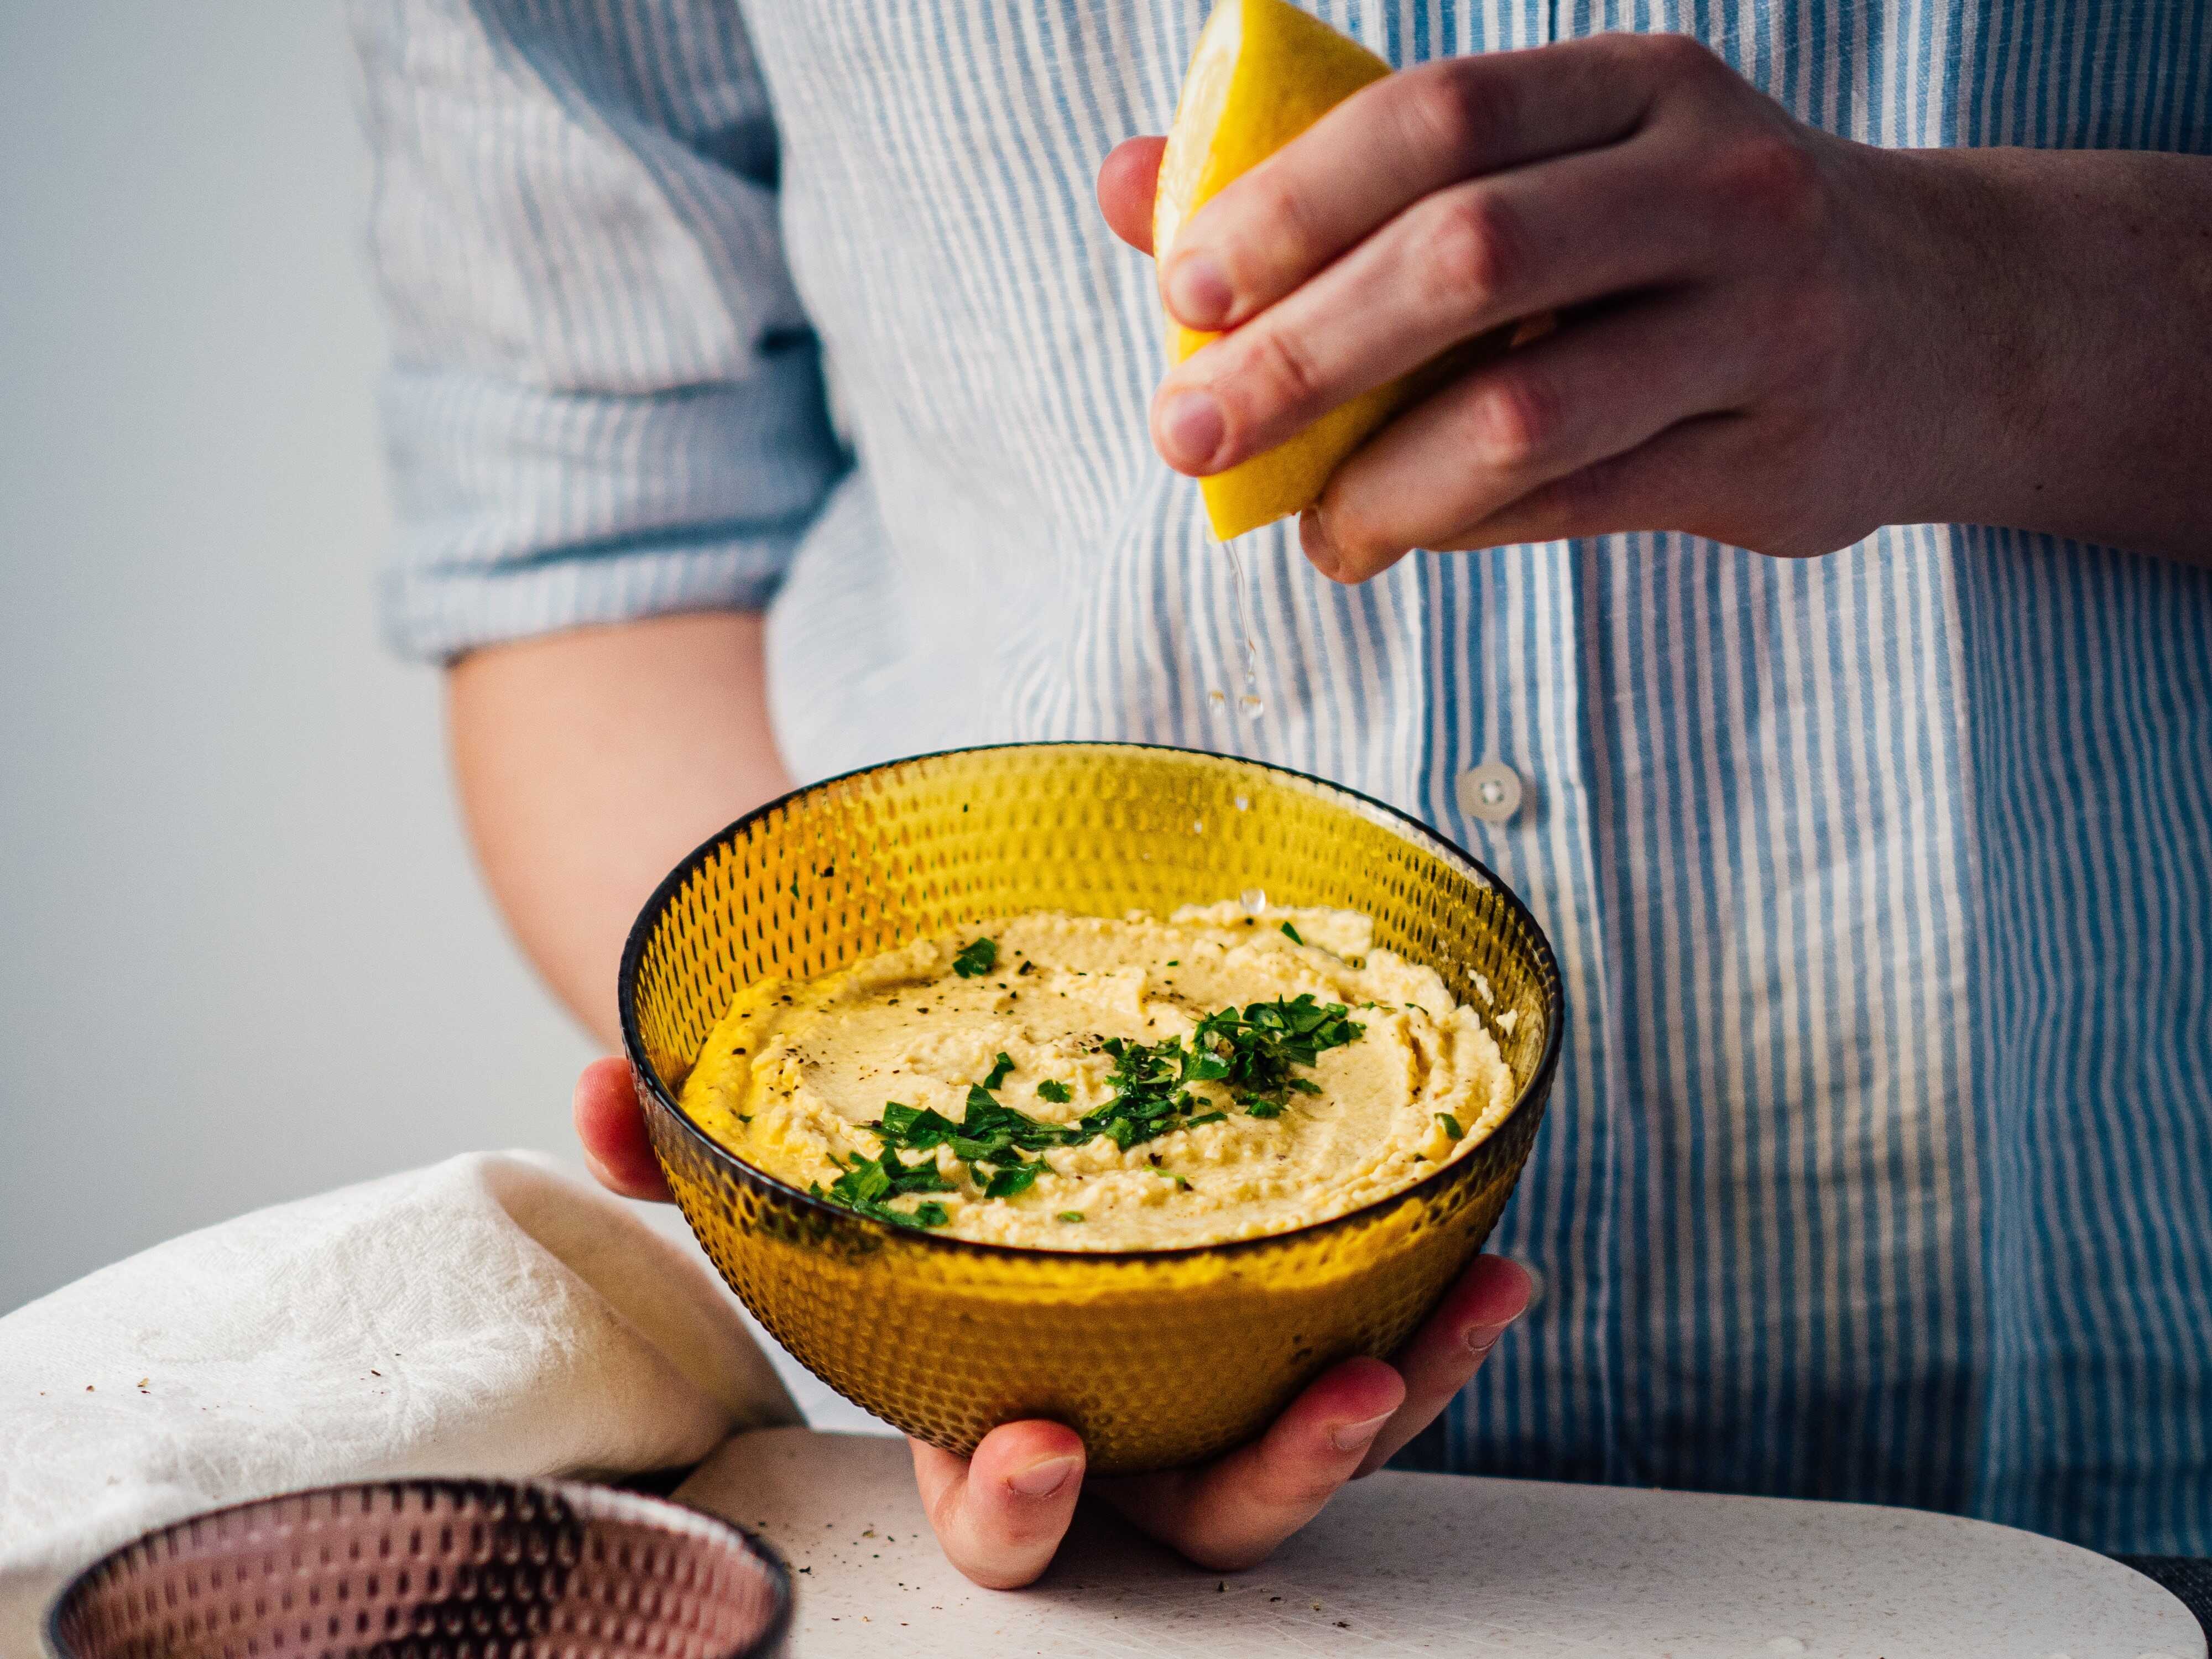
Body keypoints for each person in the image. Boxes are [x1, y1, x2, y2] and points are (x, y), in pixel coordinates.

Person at [347, 0, 2211, 1591]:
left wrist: (2016, 310)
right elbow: (596, 535)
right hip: (1003, 1535)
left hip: (2137, 1439)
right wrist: (958, 1299)